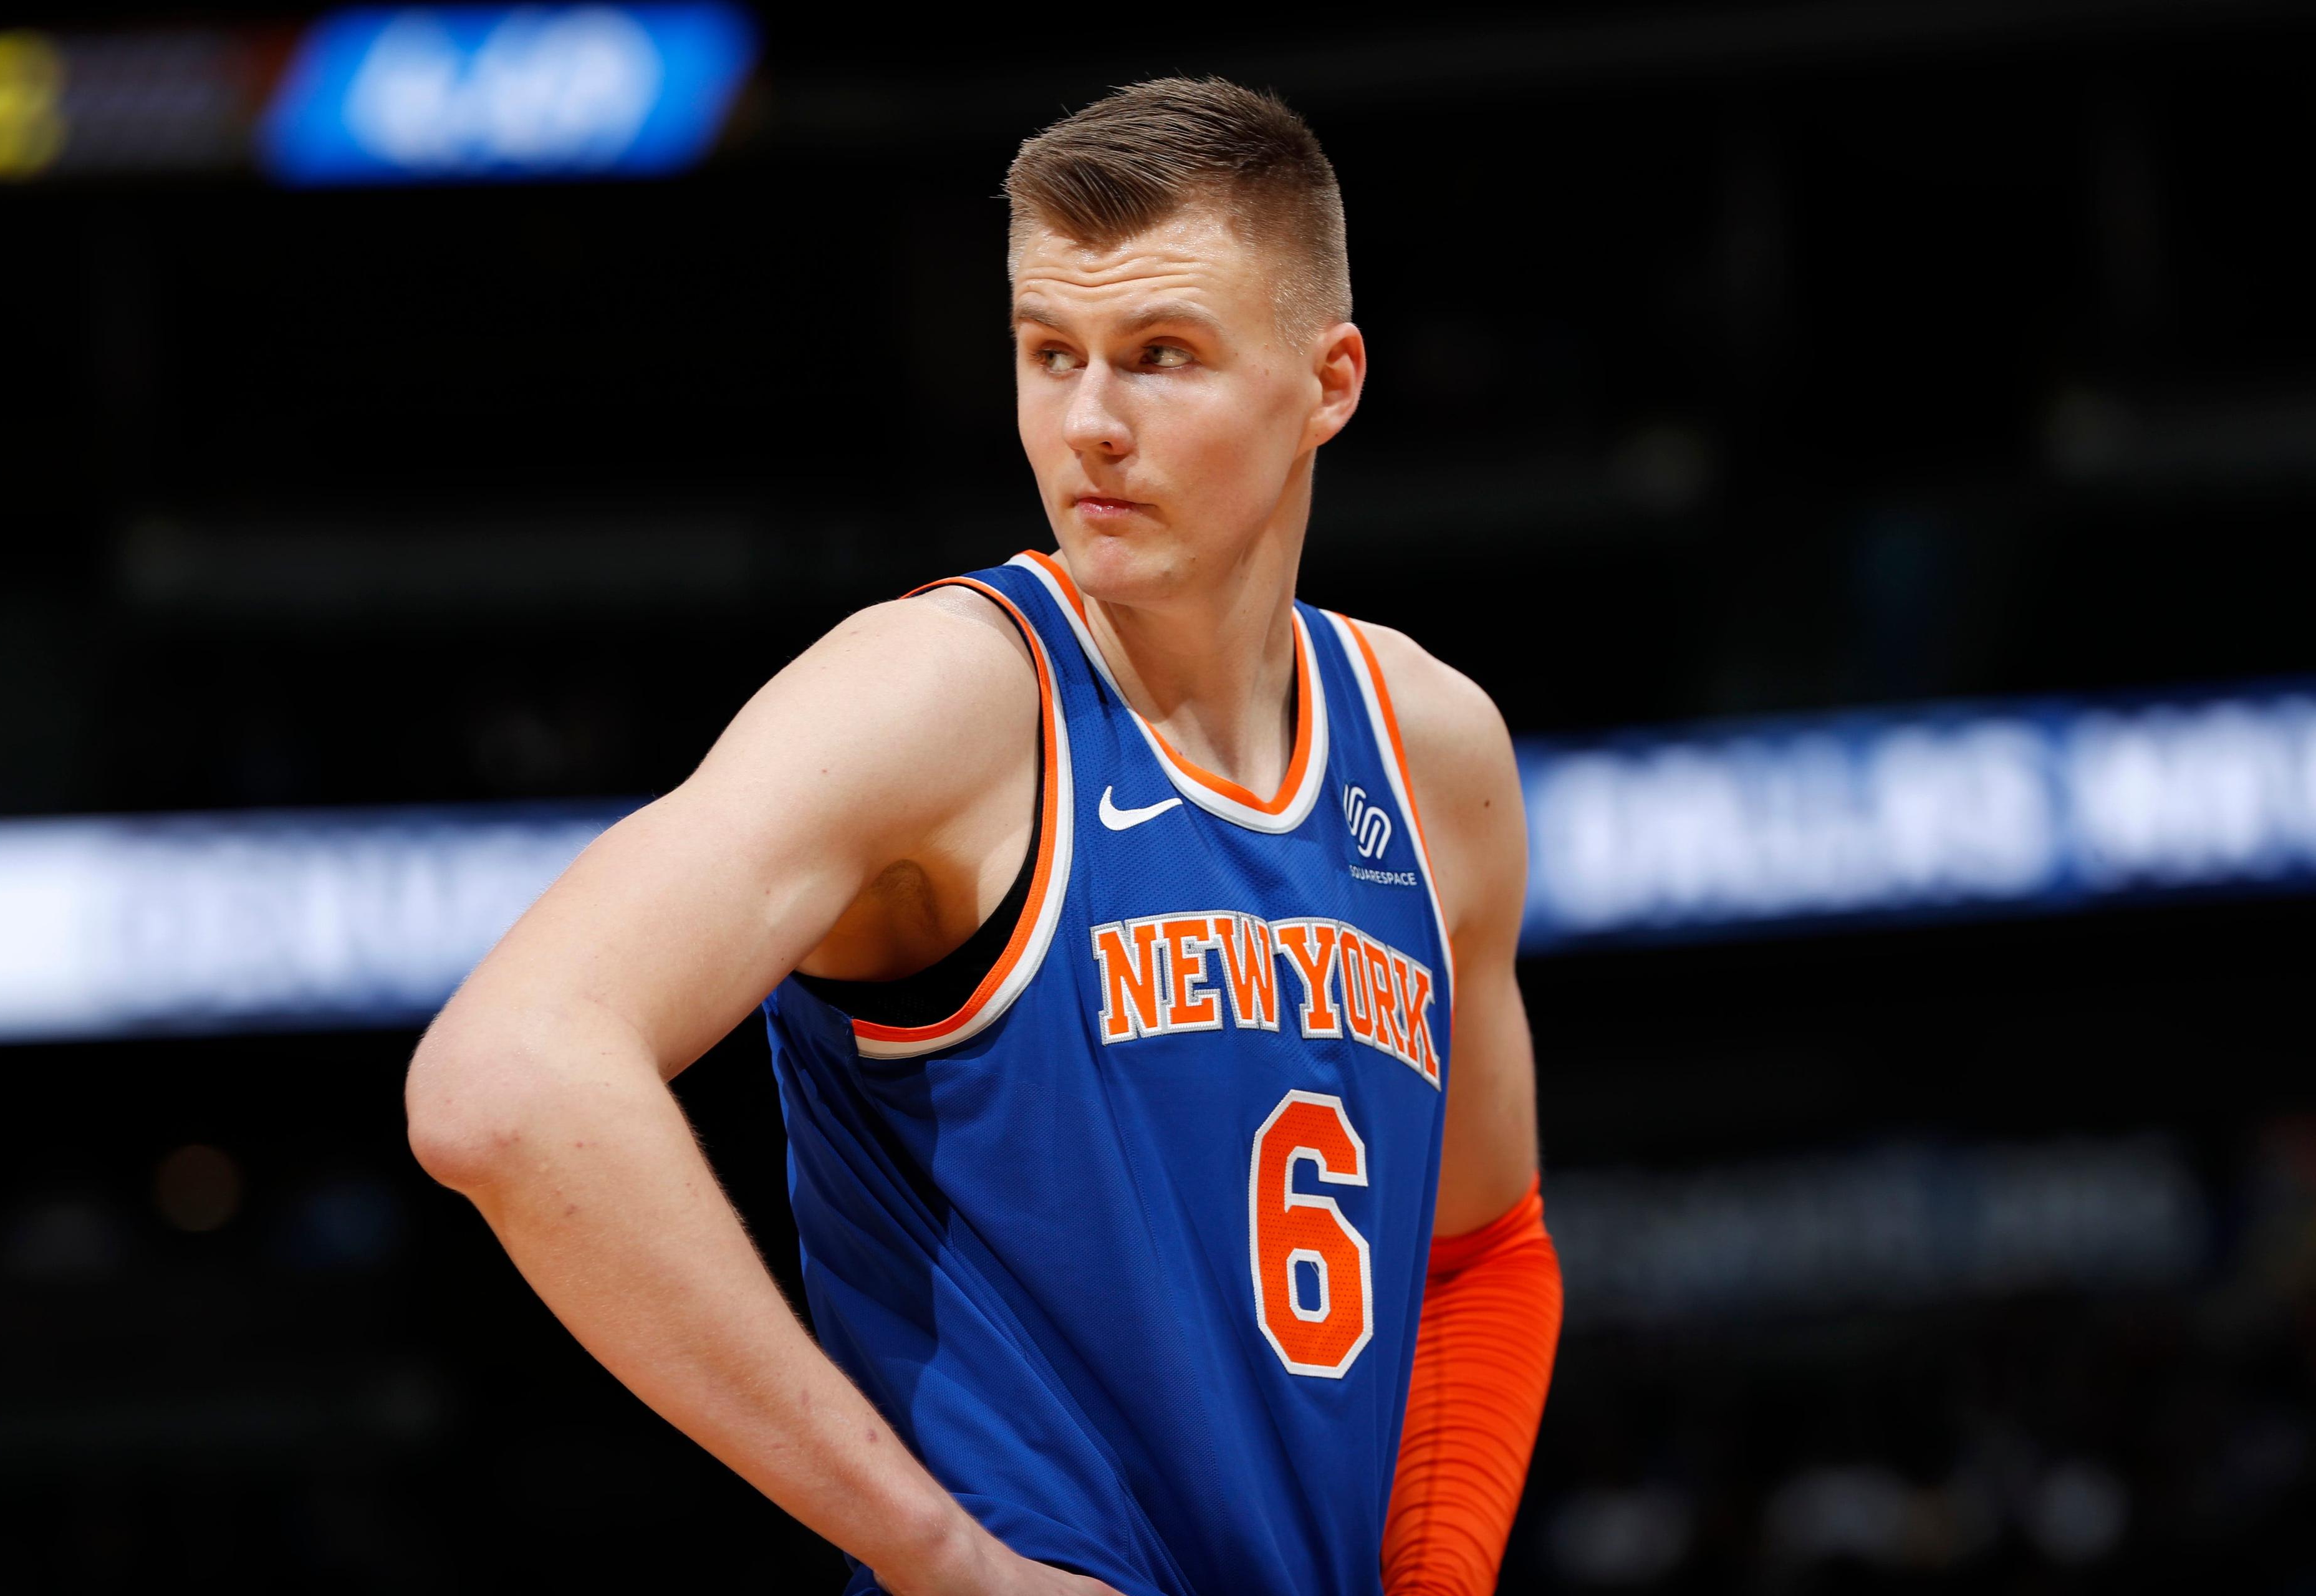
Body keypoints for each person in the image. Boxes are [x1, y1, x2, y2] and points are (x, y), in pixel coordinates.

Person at [405, 77, 1561, 1596]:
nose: (1089, 422)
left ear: (1328, 381)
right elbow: (507, 1076)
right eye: (1047, 353)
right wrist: (942, 1555)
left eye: (1161, 358)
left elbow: (1482, 1252)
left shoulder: (1435, 751)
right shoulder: (949, 694)